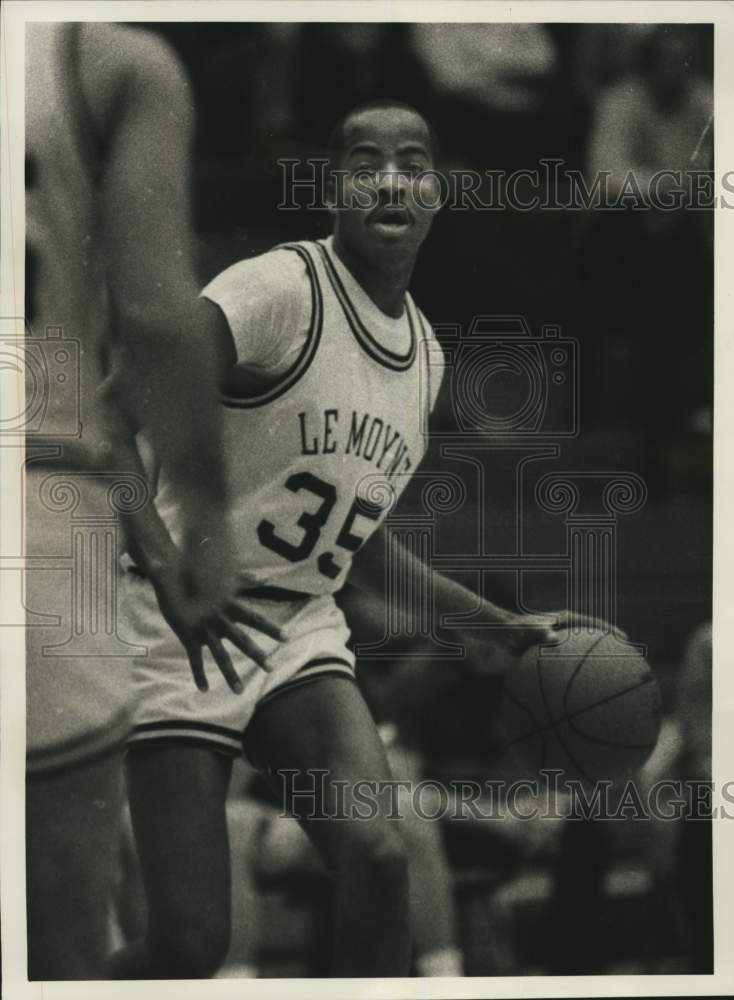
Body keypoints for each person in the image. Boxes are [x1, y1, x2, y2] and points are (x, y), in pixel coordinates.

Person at [110, 99, 605, 980]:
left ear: (437, 192)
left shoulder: (425, 357)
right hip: (173, 621)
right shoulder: (277, 289)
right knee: (188, 947)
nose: (391, 178)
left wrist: (494, 624)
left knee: (380, 856)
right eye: (365, 161)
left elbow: (363, 547)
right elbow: (113, 410)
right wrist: (163, 564)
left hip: (298, 627)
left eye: (413, 163)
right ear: (331, 187)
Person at [24, 22, 272, 979]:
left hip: (60, 484)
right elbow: (157, 316)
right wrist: (202, 524)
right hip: (38, 515)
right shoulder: (104, 61)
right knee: (55, 961)